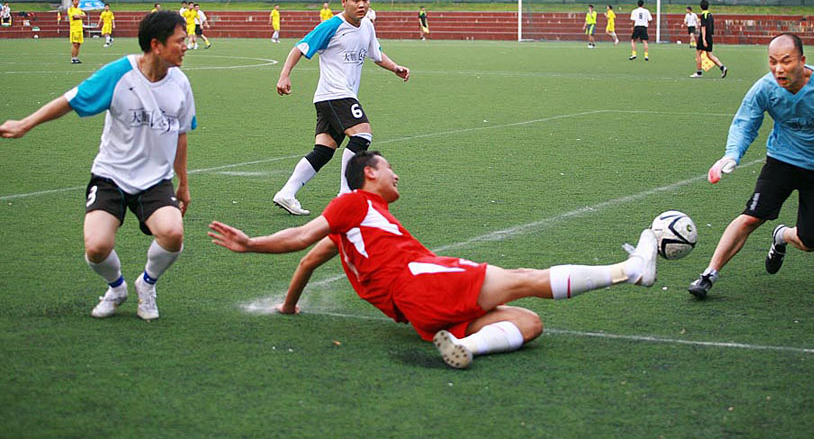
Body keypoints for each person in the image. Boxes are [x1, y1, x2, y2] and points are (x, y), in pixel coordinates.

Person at [209, 151, 660, 369]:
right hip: (420, 283)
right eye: (389, 168)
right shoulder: (352, 203)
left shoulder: (360, 230)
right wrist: (253, 244)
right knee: (523, 278)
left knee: (529, 323)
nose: (396, 173)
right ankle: (629, 271)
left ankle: (466, 347)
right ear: (369, 173)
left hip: (421, 314)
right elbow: (303, 237)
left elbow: (309, 261)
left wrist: (289, 305)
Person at [0, 10, 197, 320]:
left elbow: (181, 133)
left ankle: (147, 285)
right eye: (180, 41)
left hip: (155, 181)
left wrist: (183, 182)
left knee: (173, 233)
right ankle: (116, 287)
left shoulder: (181, 83)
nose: (187, 46)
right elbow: (70, 99)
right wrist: (26, 124)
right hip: (111, 176)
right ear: (157, 45)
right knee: (96, 247)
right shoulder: (119, 75)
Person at [687, 33, 814, 300]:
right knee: (751, 216)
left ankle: (782, 236)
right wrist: (732, 154)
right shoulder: (765, 88)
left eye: (786, 61)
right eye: (772, 61)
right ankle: (709, 274)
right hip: (782, 161)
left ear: (802, 60)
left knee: (811, 242)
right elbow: (745, 122)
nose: (778, 69)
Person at [271, 0, 410, 216]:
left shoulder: (367, 26)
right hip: (335, 95)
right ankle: (346, 194)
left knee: (324, 150)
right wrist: (284, 75)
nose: (361, 5)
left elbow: (375, 54)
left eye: (365, 0)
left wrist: (395, 67)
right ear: (344, 2)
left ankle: (286, 193)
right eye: (355, 0)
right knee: (362, 134)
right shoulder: (332, 25)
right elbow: (300, 48)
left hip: (332, 98)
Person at [689, 0, 728, 79]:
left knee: (698, 53)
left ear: (701, 7)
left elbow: (703, 28)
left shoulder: (704, 15)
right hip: (710, 36)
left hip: (705, 36)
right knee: (709, 55)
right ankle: (722, 67)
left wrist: (703, 39)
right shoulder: (710, 15)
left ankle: (699, 72)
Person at [68, 0, 86, 64]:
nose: (77, 2)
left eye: (78, 1)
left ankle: (76, 58)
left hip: (80, 29)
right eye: (75, 0)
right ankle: (72, 58)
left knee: (79, 44)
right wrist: (79, 16)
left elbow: (84, 16)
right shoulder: (70, 9)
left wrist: (79, 16)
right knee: (75, 44)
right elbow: (75, 17)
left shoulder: (80, 9)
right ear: (72, 2)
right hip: (74, 29)